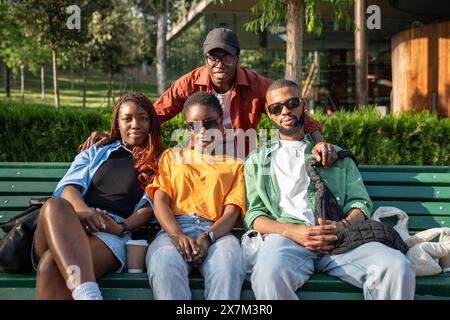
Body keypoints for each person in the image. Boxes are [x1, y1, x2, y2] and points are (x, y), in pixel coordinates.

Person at [243, 79, 416, 300]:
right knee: (268, 275)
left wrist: (342, 226)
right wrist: (293, 231)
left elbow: (360, 203)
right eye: (276, 108)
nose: (285, 111)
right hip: (286, 240)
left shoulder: (334, 155)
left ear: (304, 104)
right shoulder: (257, 162)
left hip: (341, 240)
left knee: (397, 267)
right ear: (269, 114)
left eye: (292, 103)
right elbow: (254, 215)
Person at [80, 28, 336, 166]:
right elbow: (156, 114)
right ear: (206, 59)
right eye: (213, 56)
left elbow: (291, 112)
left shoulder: (257, 85)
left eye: (226, 56)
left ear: (236, 58)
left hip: (240, 160)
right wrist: (113, 135)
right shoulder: (190, 82)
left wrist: (318, 141)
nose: (219, 63)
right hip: (200, 158)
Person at [33, 92, 164, 300]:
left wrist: (121, 227)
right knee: (54, 205)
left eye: (143, 118)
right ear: (117, 123)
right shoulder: (97, 152)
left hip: (110, 234)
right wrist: (84, 211)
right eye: (127, 118)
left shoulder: (161, 162)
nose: (135, 124)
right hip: (68, 224)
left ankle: (87, 294)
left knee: (50, 266)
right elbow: (69, 187)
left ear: (152, 123)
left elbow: (149, 207)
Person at [145, 91, 245, 300]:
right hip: (174, 229)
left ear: (221, 126)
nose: (202, 131)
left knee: (227, 266)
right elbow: (160, 201)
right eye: (194, 126)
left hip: (216, 232)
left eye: (209, 123)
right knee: (163, 264)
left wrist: (208, 238)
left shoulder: (235, 165)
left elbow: (232, 213)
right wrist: (176, 235)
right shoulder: (172, 157)